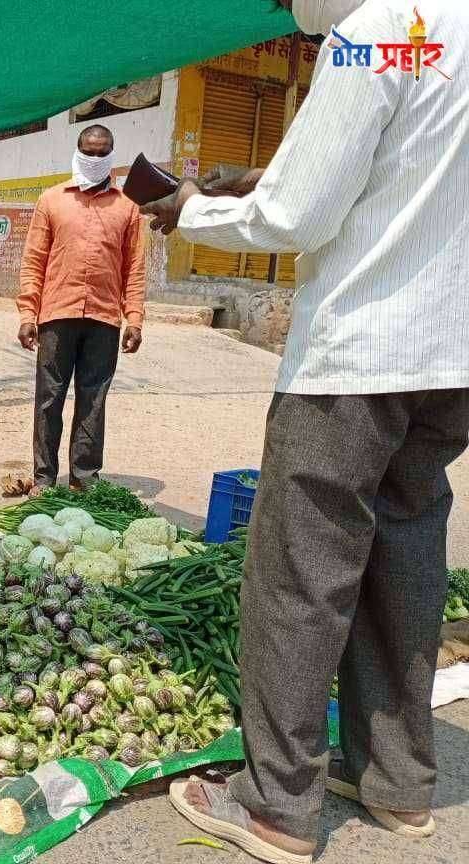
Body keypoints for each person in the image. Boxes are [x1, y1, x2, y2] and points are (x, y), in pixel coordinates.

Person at [140, 1, 469, 862]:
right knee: (404, 551)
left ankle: (276, 805)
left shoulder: (382, 31)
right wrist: (265, 177)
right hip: (453, 355)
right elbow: (411, 173)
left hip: (360, 351)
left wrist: (192, 210)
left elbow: (300, 214)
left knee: (300, 569)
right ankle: (397, 785)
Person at [17, 124, 145, 494]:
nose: (94, 157)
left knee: (93, 399)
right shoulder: (52, 200)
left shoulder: (128, 207)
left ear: (112, 155)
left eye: (102, 152)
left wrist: (133, 318)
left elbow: (133, 268)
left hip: (105, 318)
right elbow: (34, 261)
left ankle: (85, 477)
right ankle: (44, 477)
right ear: (76, 150)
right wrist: (28, 314)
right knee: (49, 398)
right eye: (88, 151)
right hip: (57, 315)